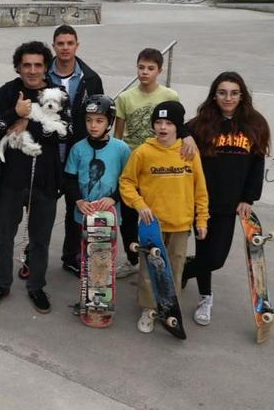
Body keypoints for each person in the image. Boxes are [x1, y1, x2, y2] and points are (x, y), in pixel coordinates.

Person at [0, 41, 70, 314]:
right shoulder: (7, 91)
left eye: (38, 65)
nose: (32, 70)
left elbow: (66, 131)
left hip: (44, 181)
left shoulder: (57, 93)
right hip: (9, 180)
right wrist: (14, 114)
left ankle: (36, 286)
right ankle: (1, 283)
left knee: (40, 238)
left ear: (46, 67)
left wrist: (30, 122)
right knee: (4, 236)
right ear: (18, 67)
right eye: (26, 65)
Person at [181, 72, 270, 325]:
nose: (227, 98)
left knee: (215, 258)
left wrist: (248, 198)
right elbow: (175, 128)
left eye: (233, 93)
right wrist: (185, 136)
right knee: (203, 248)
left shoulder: (255, 125)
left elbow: (257, 163)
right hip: (199, 201)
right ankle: (205, 297)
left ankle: (180, 273)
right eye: (222, 92)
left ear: (242, 96)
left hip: (228, 203)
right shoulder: (201, 124)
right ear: (214, 95)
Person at [119, 101, 209, 334]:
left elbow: (200, 189)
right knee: (150, 268)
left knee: (175, 268)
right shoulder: (143, 152)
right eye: (158, 123)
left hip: (180, 223)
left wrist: (201, 220)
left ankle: (168, 306)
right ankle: (149, 309)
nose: (163, 127)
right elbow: (126, 182)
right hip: (152, 225)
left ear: (178, 126)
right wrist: (139, 204)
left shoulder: (189, 153)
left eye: (168, 123)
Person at [113, 48, 196, 280]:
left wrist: (187, 135)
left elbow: (178, 124)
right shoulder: (125, 98)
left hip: (160, 167)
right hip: (134, 162)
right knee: (129, 216)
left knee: (156, 214)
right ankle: (133, 260)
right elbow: (118, 136)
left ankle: (160, 261)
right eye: (141, 67)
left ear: (159, 70)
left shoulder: (170, 95)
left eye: (150, 68)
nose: (145, 72)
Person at [47, 25, 104, 276]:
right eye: (60, 43)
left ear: (77, 46)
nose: (65, 48)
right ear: (54, 46)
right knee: (41, 209)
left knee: (75, 209)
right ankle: (31, 255)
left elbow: (99, 115)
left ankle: (70, 256)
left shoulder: (91, 79)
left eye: (70, 43)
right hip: (48, 153)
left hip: (76, 156)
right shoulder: (43, 74)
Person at [63, 95, 130, 241]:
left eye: (99, 121)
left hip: (107, 213)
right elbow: (69, 179)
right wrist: (79, 200)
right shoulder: (78, 148)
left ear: (109, 122)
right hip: (82, 213)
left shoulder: (121, 149)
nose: (93, 125)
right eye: (89, 120)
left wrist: (113, 198)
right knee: (82, 253)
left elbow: (129, 181)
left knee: (101, 254)